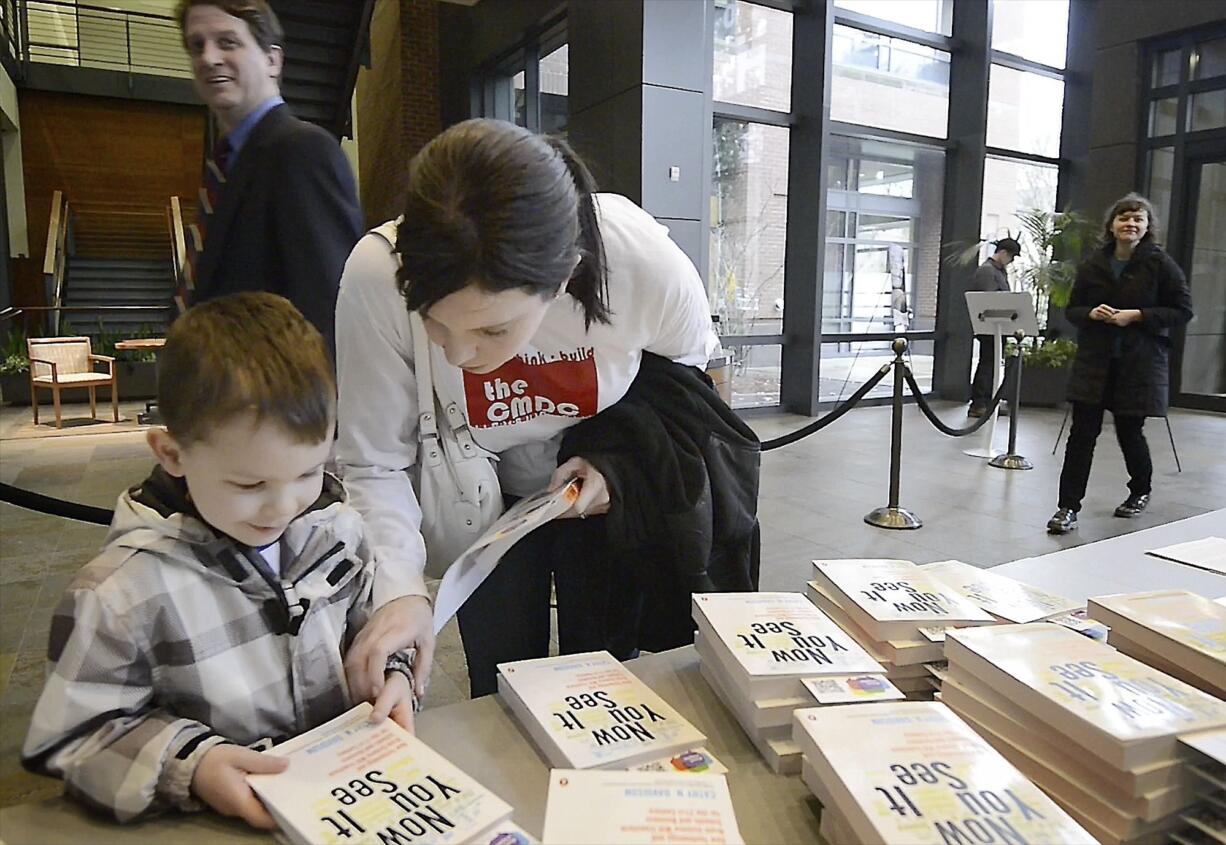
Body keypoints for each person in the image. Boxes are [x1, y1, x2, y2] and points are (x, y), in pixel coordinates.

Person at [334, 119, 758, 698]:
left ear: (561, 281)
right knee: (501, 680)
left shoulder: (639, 264)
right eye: (433, 323)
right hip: (477, 503)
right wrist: (401, 592)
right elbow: (374, 463)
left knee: (611, 677)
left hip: (601, 495)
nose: (460, 353)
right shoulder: (376, 277)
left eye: (493, 329)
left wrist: (621, 469)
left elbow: (690, 397)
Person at [22, 294, 417, 828]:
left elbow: (370, 627)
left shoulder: (335, 530)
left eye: (308, 473)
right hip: (210, 825)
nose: (283, 506)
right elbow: (75, 736)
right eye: (250, 483)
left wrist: (392, 672)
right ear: (171, 453)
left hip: (347, 803)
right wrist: (194, 765)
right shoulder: (118, 594)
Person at [177, 0, 363, 355]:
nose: (208, 58)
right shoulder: (227, 163)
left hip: (271, 405)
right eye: (197, 45)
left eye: (227, 42)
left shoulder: (303, 151)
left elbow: (329, 312)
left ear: (272, 60)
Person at [1047, 194, 1193, 535]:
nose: (1130, 224)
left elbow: (1183, 310)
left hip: (1138, 365)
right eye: (1124, 218)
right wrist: (1090, 313)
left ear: (1146, 227)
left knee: (1130, 433)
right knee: (1081, 436)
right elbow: (1072, 310)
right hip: (1094, 364)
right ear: (1111, 225)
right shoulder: (1092, 264)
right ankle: (1067, 507)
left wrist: (1138, 315)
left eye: (1138, 220)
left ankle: (1140, 490)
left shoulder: (1161, 264)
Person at [967, 236, 1020, 417]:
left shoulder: (998, 271)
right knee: (987, 364)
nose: (1011, 261)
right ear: (1003, 253)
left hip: (998, 326)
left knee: (992, 364)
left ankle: (988, 401)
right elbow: (988, 300)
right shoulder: (987, 271)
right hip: (990, 326)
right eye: (1011, 256)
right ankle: (979, 403)